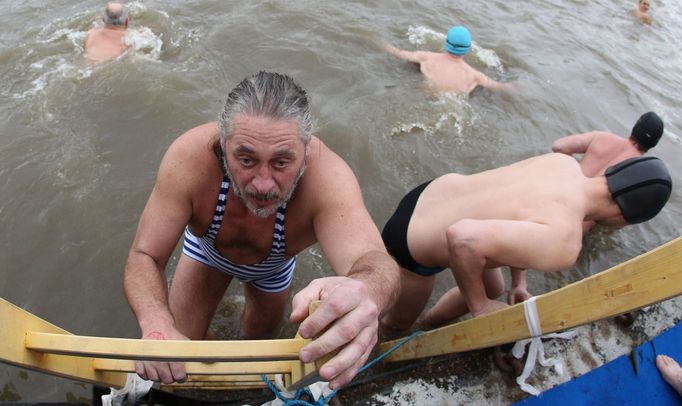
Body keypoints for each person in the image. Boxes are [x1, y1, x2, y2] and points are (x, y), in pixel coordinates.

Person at [123, 71, 400, 389]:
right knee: (180, 344)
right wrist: (156, 323)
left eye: (282, 162)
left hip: (274, 267)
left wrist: (366, 292)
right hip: (207, 252)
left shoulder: (327, 179)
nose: (263, 184)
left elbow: (373, 260)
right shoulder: (189, 159)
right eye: (246, 159)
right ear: (223, 145)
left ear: (305, 149)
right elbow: (145, 254)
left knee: (259, 344)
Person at [380, 153, 671, 331]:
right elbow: (462, 238)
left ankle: (429, 324)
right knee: (395, 326)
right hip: (411, 244)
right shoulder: (567, 242)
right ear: (624, 217)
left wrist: (519, 284)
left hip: (429, 194)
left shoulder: (563, 164)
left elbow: (522, 214)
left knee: (494, 286)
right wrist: (479, 307)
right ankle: (407, 329)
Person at [383, 26, 506, 94]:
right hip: (451, 102)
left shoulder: (426, 57)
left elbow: (399, 53)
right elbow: (500, 87)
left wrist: (379, 43)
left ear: (446, 43)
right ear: (468, 48)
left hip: (422, 92)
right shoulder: (474, 76)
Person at [552, 112, 664, 177]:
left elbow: (559, 146)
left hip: (564, 192)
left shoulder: (602, 137)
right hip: (581, 216)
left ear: (635, 128)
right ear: (653, 144)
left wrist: (575, 175)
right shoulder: (639, 169)